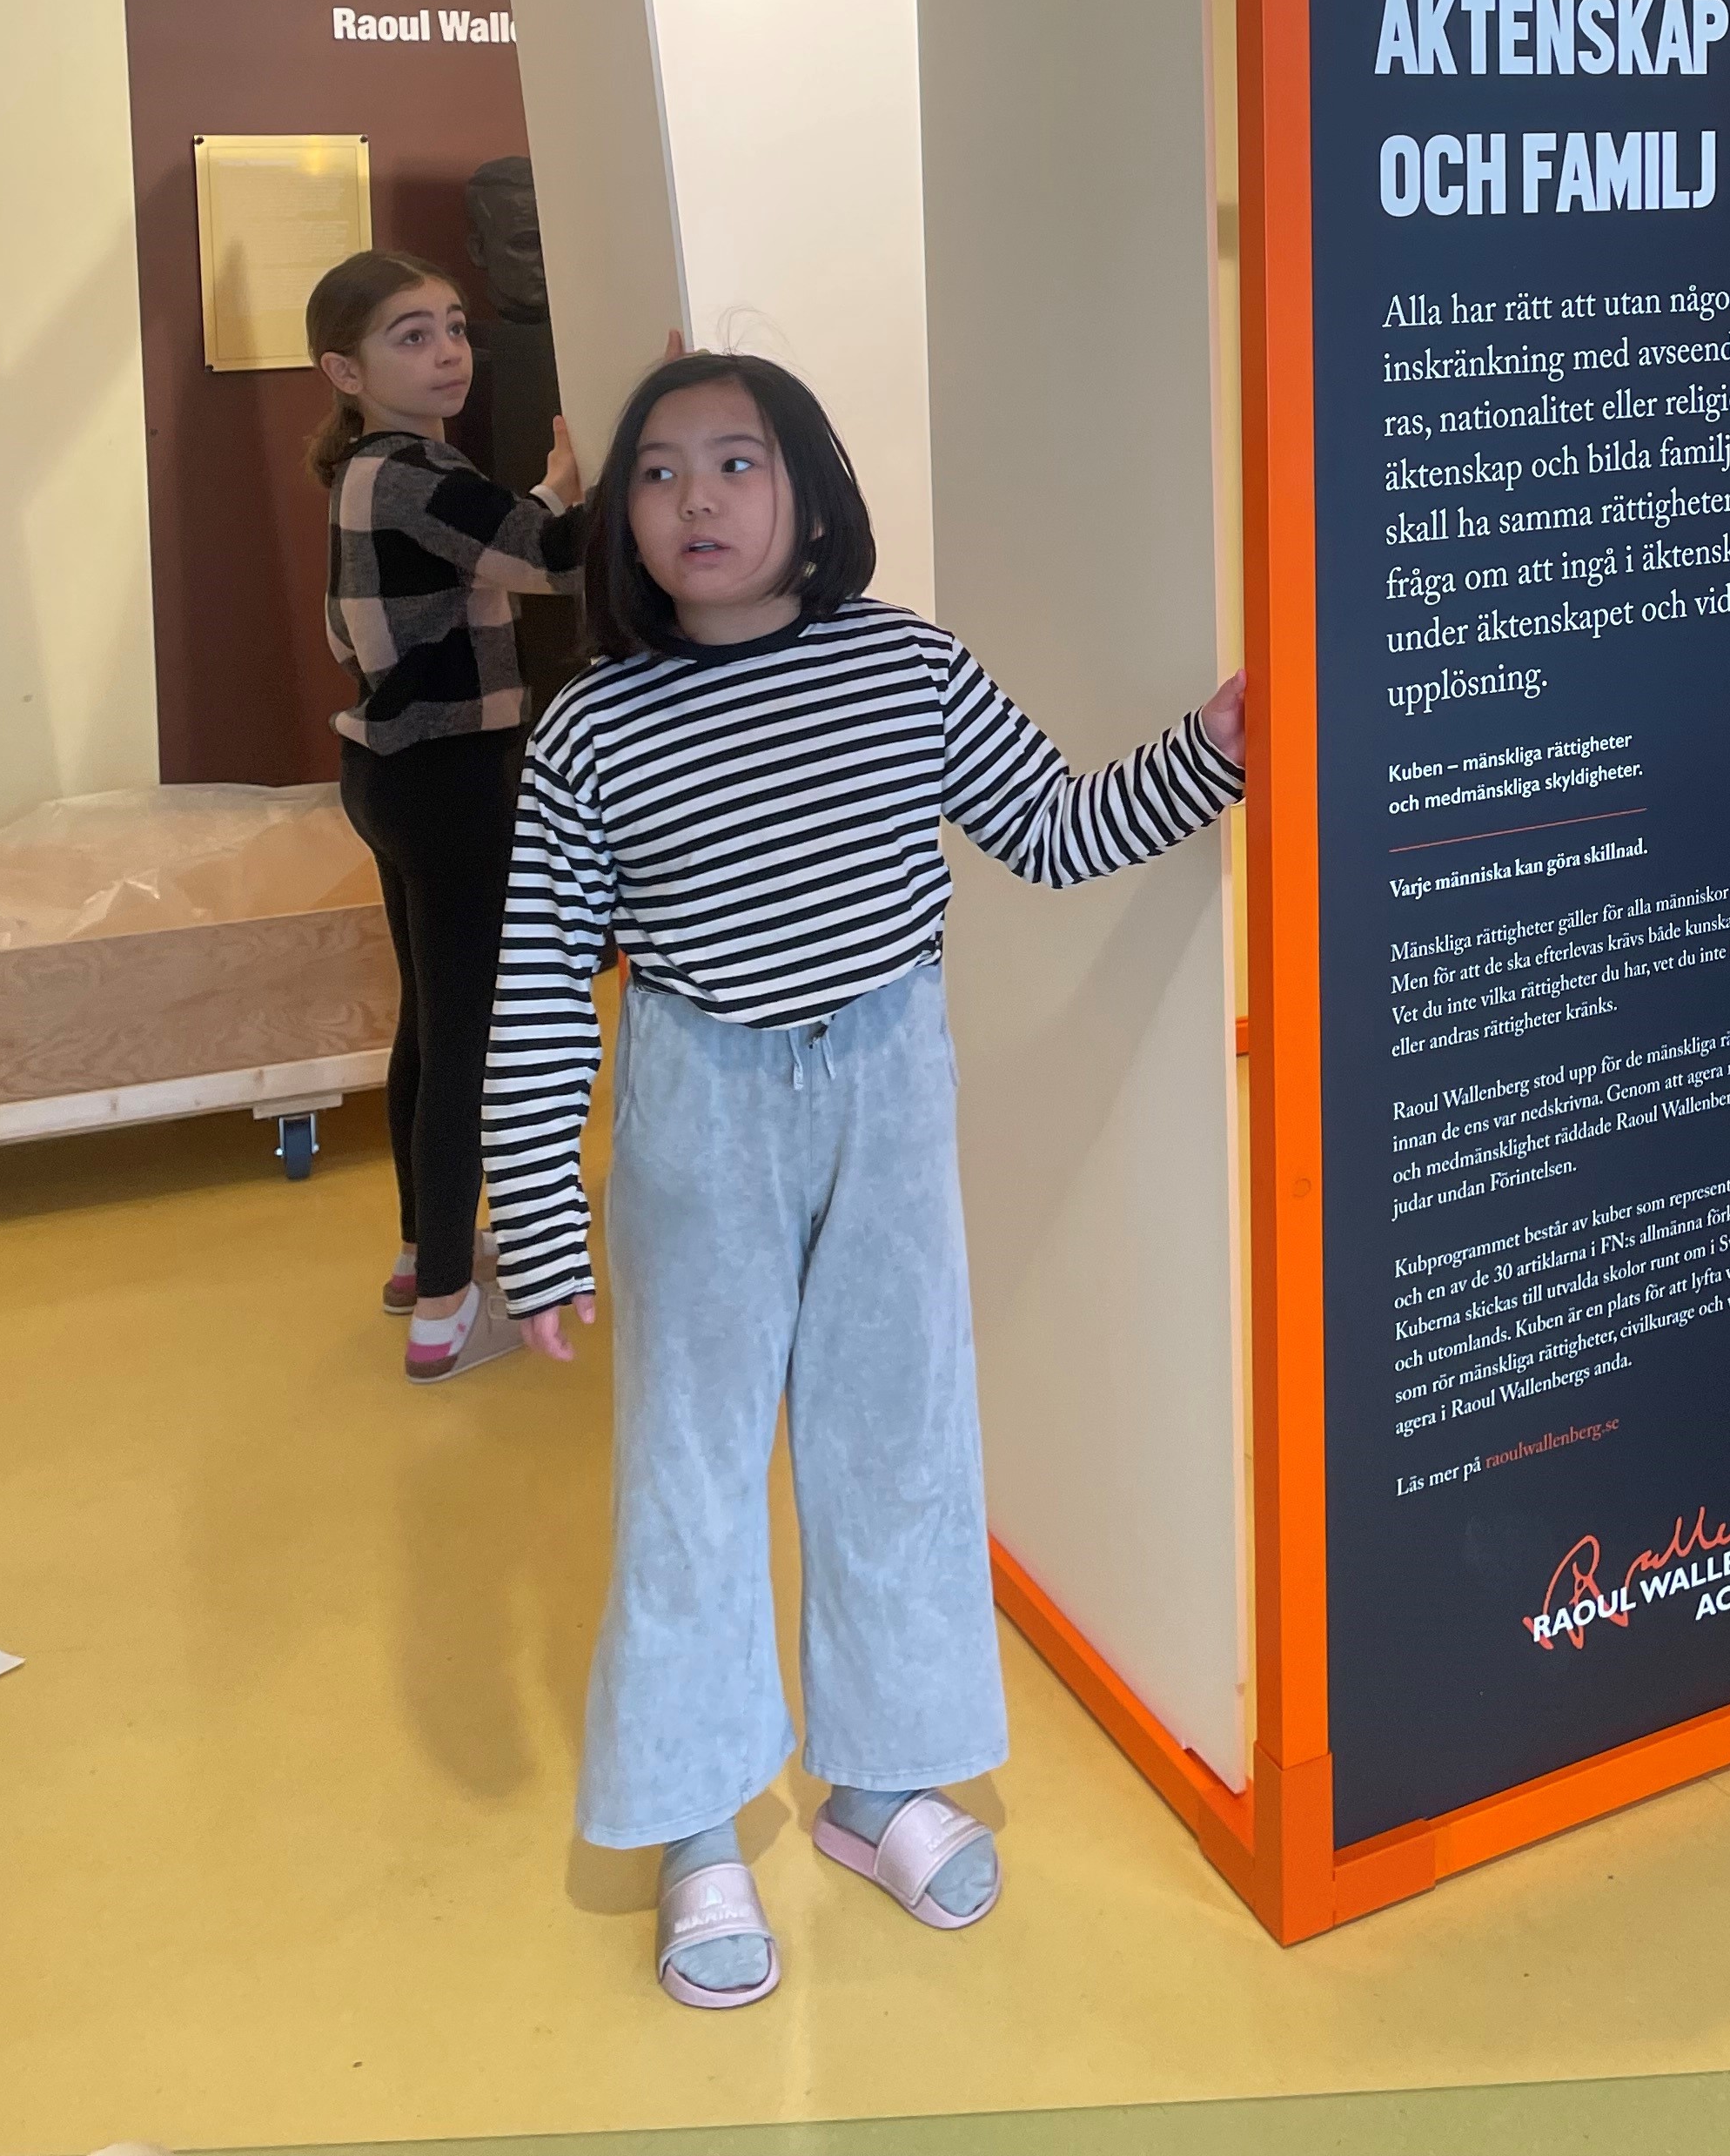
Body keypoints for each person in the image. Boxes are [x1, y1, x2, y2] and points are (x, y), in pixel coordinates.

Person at [479, 352, 1246, 2012]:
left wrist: (1214, 747)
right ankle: (694, 1818)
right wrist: (536, 1219)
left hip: (890, 1085)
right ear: (623, 521)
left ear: (811, 495)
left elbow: (1053, 830)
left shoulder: (908, 667)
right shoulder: (594, 726)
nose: (696, 498)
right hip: (700, 1106)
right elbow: (538, 981)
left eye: (736, 462)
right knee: (689, 1472)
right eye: (659, 472)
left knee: (899, 1440)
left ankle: (881, 1783)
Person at [307, 248, 582, 1383]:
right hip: (453, 778)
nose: (449, 352)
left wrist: (554, 487)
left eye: (456, 326)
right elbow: (553, 561)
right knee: (470, 1037)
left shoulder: (375, 470)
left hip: (392, 774)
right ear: (346, 370)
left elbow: (498, 551)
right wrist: (624, 472)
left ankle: (425, 1253)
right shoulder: (414, 470)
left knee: (431, 1021)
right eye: (412, 336)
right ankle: (445, 1309)